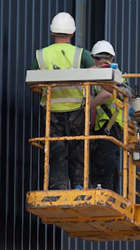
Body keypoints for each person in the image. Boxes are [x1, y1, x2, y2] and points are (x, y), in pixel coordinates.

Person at [32, 12, 96, 190]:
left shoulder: (41, 55)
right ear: (72, 33)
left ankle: (58, 186)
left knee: (55, 151)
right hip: (76, 111)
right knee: (78, 151)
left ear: (52, 33)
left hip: (52, 112)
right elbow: (97, 76)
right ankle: (80, 186)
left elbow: (34, 84)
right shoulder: (81, 54)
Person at [89, 40, 124, 192]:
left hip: (110, 125)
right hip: (104, 125)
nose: (102, 61)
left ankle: (104, 190)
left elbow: (107, 93)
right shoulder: (101, 77)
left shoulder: (114, 76)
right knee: (105, 162)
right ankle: (109, 190)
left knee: (104, 161)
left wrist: (87, 107)